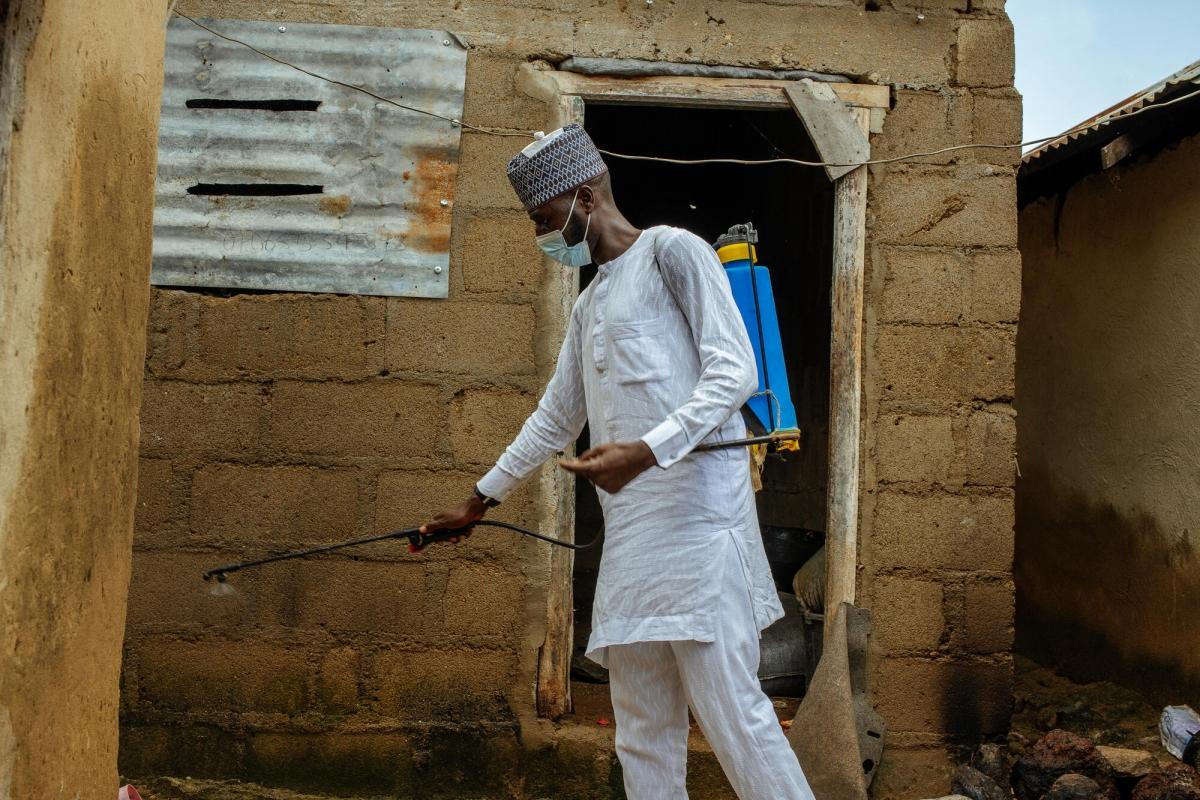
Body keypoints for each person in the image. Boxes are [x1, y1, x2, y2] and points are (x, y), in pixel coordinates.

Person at [421, 123, 814, 800]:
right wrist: (479, 501)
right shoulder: (589, 304)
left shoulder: (674, 253)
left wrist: (645, 451)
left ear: (585, 197)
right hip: (634, 556)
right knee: (640, 736)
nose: (545, 236)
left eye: (546, 220)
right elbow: (555, 418)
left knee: (738, 724)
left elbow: (736, 374)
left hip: (699, 537)